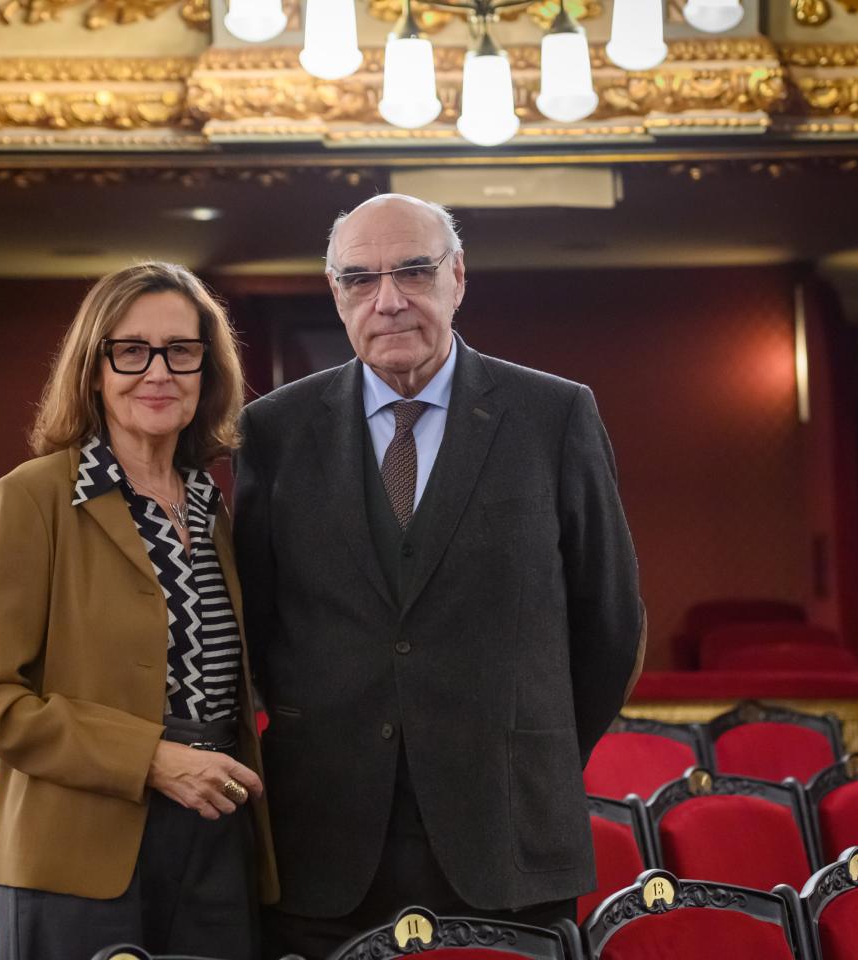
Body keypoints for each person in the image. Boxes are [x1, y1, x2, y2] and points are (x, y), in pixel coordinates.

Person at [234, 194, 644, 958]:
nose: (388, 301)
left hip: (505, 834)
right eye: (360, 280)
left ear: (458, 276)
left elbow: (610, 624)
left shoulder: (553, 416)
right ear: (336, 294)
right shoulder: (274, 431)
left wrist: (523, 750)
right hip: (322, 837)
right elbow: (254, 625)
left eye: (414, 272)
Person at [0, 261, 277, 960]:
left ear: (206, 370)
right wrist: (151, 760)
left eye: (180, 351)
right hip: (77, 848)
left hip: (217, 835)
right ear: (93, 368)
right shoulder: (33, 496)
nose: (157, 372)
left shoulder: (212, 505)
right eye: (130, 351)